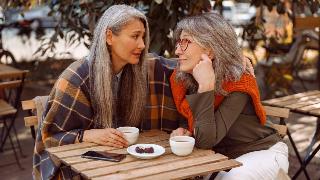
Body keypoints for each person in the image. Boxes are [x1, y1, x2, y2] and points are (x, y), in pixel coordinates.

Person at [32, 5, 183, 179]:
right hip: (85, 168)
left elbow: (182, 69)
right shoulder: (76, 78)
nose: (142, 45)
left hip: (129, 165)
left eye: (143, 37)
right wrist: (87, 135)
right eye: (135, 36)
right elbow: (50, 138)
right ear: (109, 36)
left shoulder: (144, 68)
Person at [169, 12, 289, 179]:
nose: (177, 50)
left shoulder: (238, 81)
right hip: (220, 158)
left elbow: (205, 141)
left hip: (261, 152)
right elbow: (193, 121)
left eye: (186, 42)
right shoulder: (184, 78)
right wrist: (184, 129)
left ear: (210, 51)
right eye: (178, 42)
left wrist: (206, 86)